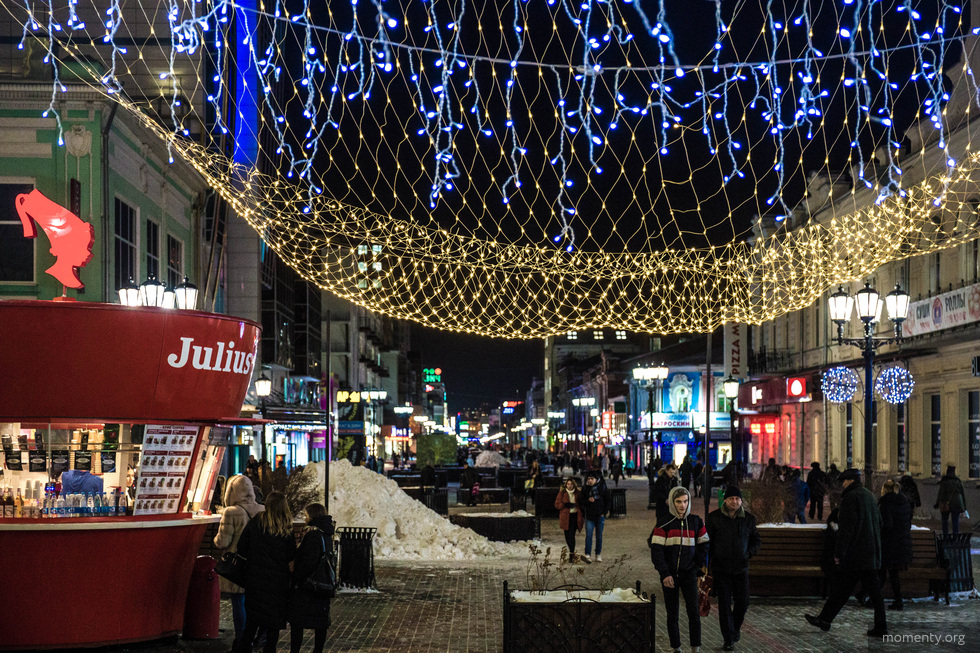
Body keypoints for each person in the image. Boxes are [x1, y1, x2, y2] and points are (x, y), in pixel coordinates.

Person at [805, 468, 887, 637]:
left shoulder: (851, 498)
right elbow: (879, 522)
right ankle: (826, 619)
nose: (842, 485)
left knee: (845, 588)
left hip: (857, 554)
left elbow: (846, 530)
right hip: (870, 552)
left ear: (849, 481)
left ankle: (825, 619)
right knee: (868, 591)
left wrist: (839, 553)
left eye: (843, 481)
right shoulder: (869, 496)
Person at [233, 491, 297, 653]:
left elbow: (242, 547)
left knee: (252, 621)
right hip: (278, 583)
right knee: (273, 624)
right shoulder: (286, 528)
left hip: (255, 579)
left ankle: (244, 649)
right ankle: (270, 649)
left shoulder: (256, 523)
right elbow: (291, 555)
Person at [650, 486, 709, 653]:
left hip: (689, 574)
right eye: (678, 502)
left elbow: (704, 545)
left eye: (685, 501)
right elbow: (657, 551)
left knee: (693, 612)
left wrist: (696, 568)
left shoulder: (696, 522)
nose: (682, 505)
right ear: (672, 502)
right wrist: (665, 573)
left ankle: (695, 647)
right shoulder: (663, 522)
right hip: (670, 575)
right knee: (672, 613)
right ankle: (676, 647)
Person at [706, 486, 761, 651]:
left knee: (743, 602)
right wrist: (706, 564)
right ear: (725, 500)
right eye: (731, 499)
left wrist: (748, 553)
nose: (735, 502)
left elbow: (756, 540)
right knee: (724, 605)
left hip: (741, 568)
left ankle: (735, 628)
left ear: (741, 501)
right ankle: (728, 639)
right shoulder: (714, 518)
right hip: (721, 568)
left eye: (737, 499)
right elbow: (707, 542)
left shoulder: (749, 519)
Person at [214, 474, 266, 649]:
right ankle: (254, 635)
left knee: (239, 602)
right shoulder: (262, 510)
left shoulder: (231, 512)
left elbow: (223, 542)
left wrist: (216, 540)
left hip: (238, 566)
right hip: (258, 565)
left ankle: (242, 639)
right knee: (254, 603)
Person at [288, 503, 335, 653]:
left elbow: (308, 561)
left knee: (298, 622)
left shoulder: (313, 534)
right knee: (320, 622)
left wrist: (295, 577)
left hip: (309, 587)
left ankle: (295, 650)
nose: (305, 518)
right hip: (322, 585)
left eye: (306, 515)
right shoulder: (326, 533)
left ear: (313, 515)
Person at [878, 480, 912, 611]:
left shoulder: (886, 502)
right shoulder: (904, 502)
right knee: (893, 574)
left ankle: (873, 600)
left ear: (885, 490)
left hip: (889, 543)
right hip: (902, 543)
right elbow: (907, 523)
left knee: (881, 572)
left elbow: (886, 525)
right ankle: (898, 601)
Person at [581, 470, 610, 563]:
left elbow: (608, 500)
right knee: (589, 535)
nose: (590, 481)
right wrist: (588, 500)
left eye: (591, 479)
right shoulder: (585, 488)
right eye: (588, 479)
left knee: (599, 536)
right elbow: (581, 501)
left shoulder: (602, 487)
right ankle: (587, 554)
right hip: (589, 515)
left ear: (596, 479)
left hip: (599, 515)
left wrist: (604, 512)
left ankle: (598, 554)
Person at [555, 478, 584, 561]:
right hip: (565, 517)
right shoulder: (562, 493)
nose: (570, 486)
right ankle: (571, 551)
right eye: (568, 484)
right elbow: (557, 504)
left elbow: (581, 503)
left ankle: (571, 553)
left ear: (574, 485)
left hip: (574, 516)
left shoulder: (578, 493)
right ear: (566, 485)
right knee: (567, 536)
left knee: (572, 535)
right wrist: (565, 505)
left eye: (571, 484)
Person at [935, 465, 967, 536]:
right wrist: (964, 507)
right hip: (957, 503)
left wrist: (937, 503)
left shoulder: (945, 481)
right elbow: (962, 494)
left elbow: (941, 493)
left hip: (946, 503)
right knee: (955, 521)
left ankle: (945, 536)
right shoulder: (958, 481)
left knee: (944, 520)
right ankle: (955, 537)